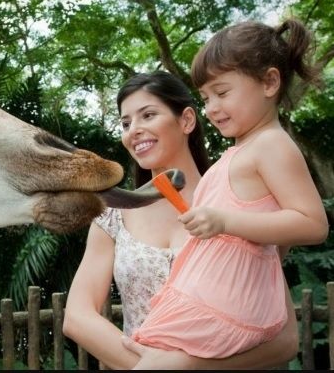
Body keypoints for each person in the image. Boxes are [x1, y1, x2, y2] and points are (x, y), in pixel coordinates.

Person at [63, 70, 300, 369]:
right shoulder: (113, 216)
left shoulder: (237, 207)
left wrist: (186, 367)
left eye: (148, 115)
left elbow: (285, 339)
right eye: (125, 123)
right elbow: (77, 316)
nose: (133, 130)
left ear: (186, 120)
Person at [130, 19, 329, 368]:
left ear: (269, 82)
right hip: (208, 300)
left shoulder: (271, 145)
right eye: (206, 98)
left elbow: (313, 223)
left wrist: (224, 220)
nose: (212, 108)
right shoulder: (239, 152)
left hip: (224, 308)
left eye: (222, 93)